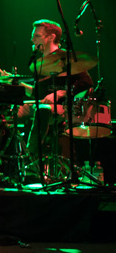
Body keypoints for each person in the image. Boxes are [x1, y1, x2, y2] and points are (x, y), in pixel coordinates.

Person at [17, 19, 93, 173]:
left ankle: (32, 159)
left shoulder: (67, 58)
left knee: (43, 108)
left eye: (37, 36)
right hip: (41, 104)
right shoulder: (39, 63)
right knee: (3, 111)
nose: (32, 39)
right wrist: (21, 85)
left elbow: (87, 82)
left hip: (64, 107)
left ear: (51, 37)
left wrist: (61, 93)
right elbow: (38, 94)